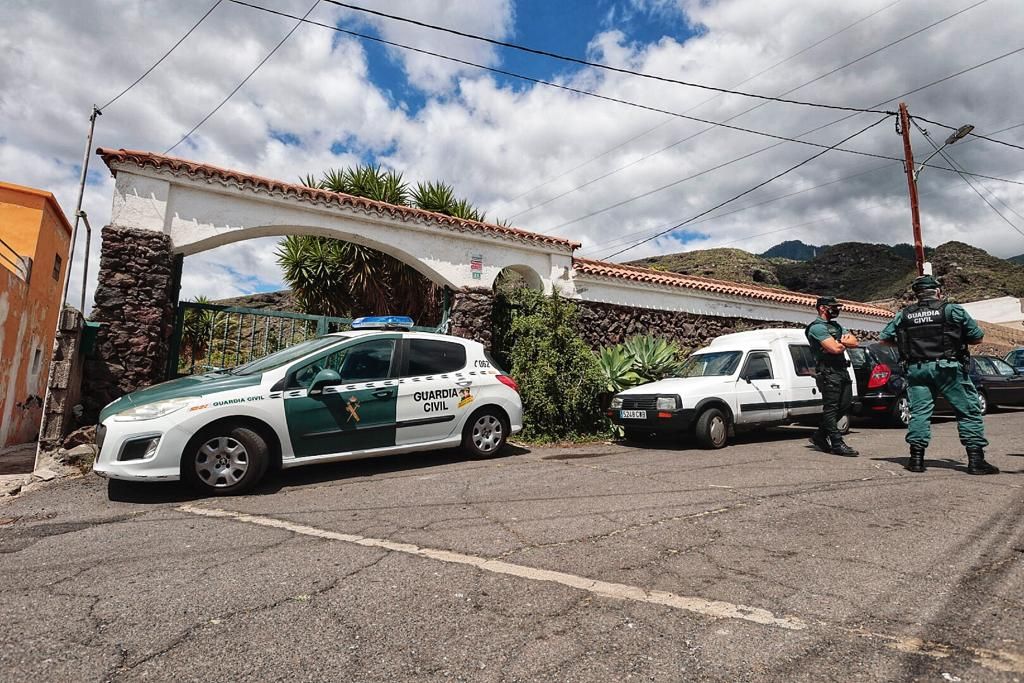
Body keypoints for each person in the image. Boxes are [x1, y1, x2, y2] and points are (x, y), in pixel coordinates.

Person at [878, 275, 997, 475]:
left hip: (917, 370)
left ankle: (916, 460)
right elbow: (977, 338)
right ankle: (976, 461)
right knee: (968, 411)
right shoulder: (952, 310)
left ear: (917, 295)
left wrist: (906, 345)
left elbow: (884, 339)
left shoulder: (904, 315)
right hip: (948, 369)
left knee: (919, 413)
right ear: (938, 292)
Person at [805, 296, 859, 456]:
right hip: (828, 372)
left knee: (845, 405)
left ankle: (819, 436)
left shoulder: (836, 325)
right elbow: (834, 349)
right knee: (831, 408)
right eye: (832, 307)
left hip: (842, 370)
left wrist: (838, 342)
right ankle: (836, 443)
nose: (836, 310)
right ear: (822, 308)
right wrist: (841, 342)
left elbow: (855, 342)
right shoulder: (816, 328)